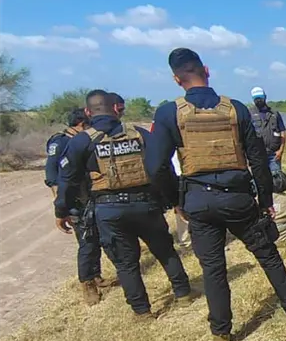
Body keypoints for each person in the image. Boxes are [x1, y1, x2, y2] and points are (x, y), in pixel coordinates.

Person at [147, 47, 286, 341]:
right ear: (206, 70)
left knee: (213, 268)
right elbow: (258, 160)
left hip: (198, 201)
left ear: (176, 79)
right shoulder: (236, 109)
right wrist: (265, 203)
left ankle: (221, 332)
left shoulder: (169, 112)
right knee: (267, 254)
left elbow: (155, 166)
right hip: (238, 199)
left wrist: (176, 200)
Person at [55, 89, 193, 319]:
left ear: (88, 112)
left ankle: (142, 310)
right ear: (114, 108)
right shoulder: (139, 134)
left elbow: (67, 180)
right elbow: (163, 167)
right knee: (165, 251)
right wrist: (174, 200)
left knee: (126, 263)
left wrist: (62, 210)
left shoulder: (82, 140)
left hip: (109, 210)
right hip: (146, 204)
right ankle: (183, 293)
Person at [44, 107, 113, 305]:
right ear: (82, 124)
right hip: (75, 201)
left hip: (90, 197)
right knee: (87, 242)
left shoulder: (81, 141)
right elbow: (52, 175)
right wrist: (61, 206)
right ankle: (87, 285)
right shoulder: (61, 142)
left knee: (97, 237)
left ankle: (97, 275)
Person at [250, 86, 286, 173]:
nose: (259, 100)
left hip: (274, 154)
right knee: (259, 181)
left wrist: (281, 150)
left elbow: (282, 132)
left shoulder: (274, 114)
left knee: (276, 180)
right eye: (256, 98)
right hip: (257, 155)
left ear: (265, 97)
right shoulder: (249, 114)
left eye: (260, 98)